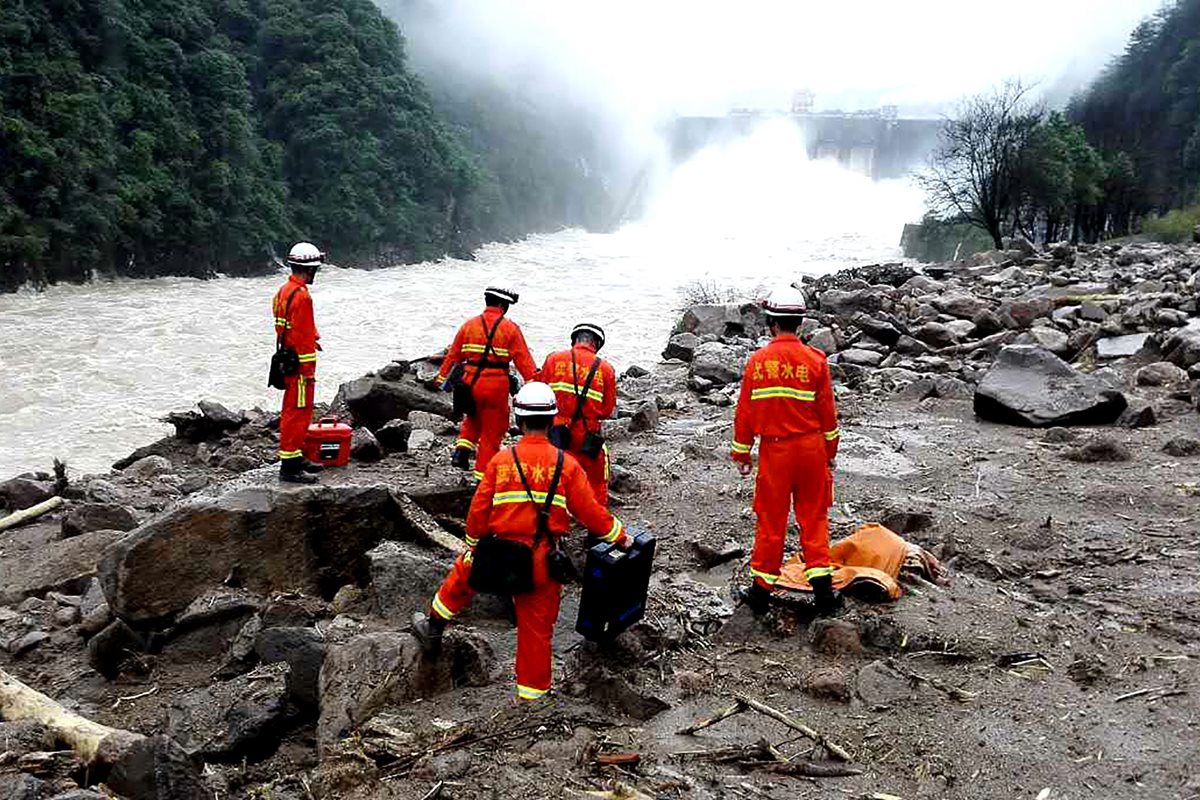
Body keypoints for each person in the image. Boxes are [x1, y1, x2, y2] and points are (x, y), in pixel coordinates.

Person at [412, 382, 630, 703]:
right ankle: (532, 697)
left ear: (519, 418)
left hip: (498, 551)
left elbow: (478, 509)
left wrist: (474, 543)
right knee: (535, 634)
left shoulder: (501, 460)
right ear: (553, 419)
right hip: (540, 560)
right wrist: (620, 537)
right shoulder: (566, 464)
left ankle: (434, 625)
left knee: (465, 572)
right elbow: (591, 513)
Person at [730, 286, 842, 616]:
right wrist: (830, 452)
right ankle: (823, 595)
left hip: (775, 453)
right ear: (801, 323)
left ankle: (761, 593)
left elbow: (745, 412)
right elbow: (828, 416)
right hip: (811, 450)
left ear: (771, 323)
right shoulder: (816, 360)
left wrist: (742, 453)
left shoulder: (758, 362)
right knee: (814, 518)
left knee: (771, 521)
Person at [428, 287, 538, 482]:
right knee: (492, 430)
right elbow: (523, 360)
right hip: (495, 385)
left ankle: (461, 452)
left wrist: (439, 379)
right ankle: (482, 476)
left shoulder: (469, 325)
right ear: (503, 305)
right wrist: (534, 383)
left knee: (472, 416)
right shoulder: (510, 328)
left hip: (469, 382)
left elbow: (454, 355)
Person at [539, 323, 617, 506]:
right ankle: (596, 526)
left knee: (553, 475)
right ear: (596, 344)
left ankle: (553, 516)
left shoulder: (553, 359)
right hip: (587, 434)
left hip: (554, 431)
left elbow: (541, 392)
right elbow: (606, 410)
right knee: (597, 479)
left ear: (574, 339)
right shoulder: (606, 369)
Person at [272, 242, 325, 484]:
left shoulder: (284, 291)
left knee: (293, 410)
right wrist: (308, 370)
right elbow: (301, 337)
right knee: (298, 413)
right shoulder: (302, 296)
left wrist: (313, 338)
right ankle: (290, 466)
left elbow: (287, 327)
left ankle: (297, 457)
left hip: (288, 358)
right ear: (310, 269)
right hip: (301, 367)